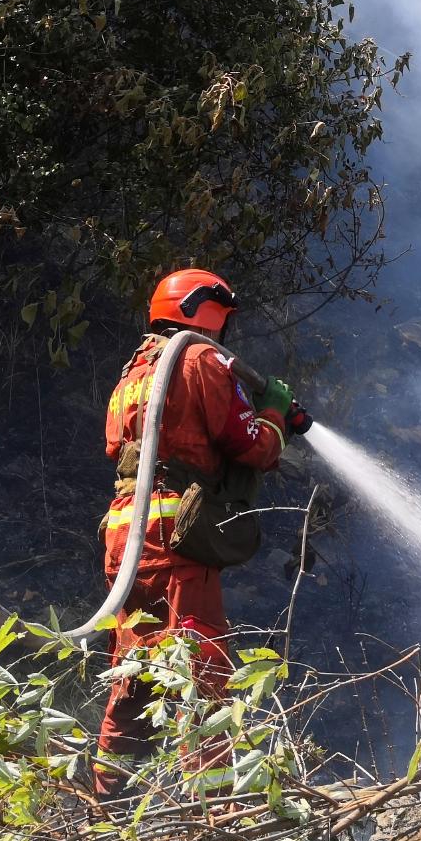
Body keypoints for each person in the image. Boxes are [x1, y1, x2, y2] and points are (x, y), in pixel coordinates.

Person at [94, 269, 311, 794]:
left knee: (135, 676)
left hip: (125, 537)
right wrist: (277, 412)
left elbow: (120, 450)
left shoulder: (131, 376)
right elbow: (252, 445)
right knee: (203, 675)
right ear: (210, 316)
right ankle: (218, 823)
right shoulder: (201, 359)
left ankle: (103, 809)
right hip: (175, 537)